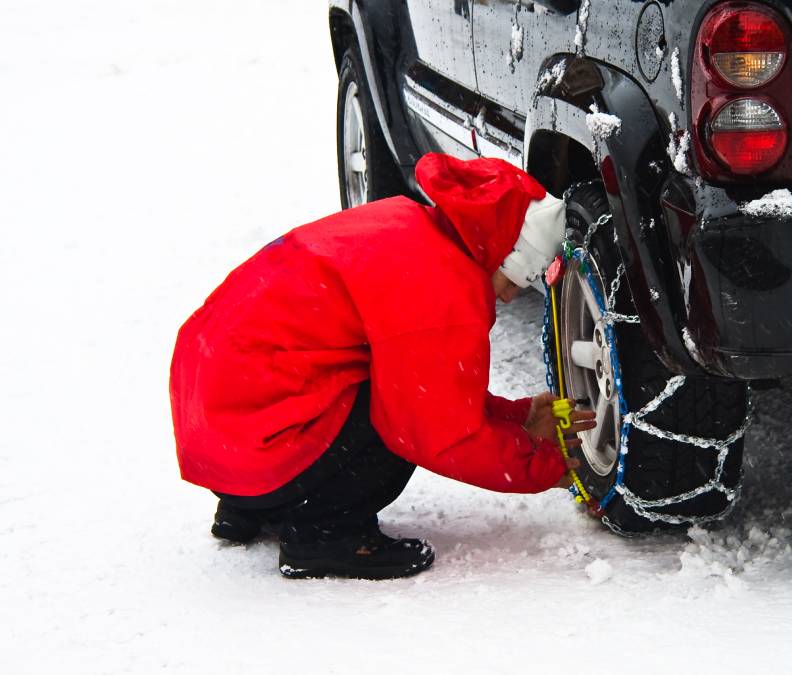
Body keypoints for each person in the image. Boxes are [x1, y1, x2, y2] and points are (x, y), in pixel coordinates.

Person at [170, 153, 596, 580]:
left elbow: (434, 382)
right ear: (506, 253)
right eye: (520, 278)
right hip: (258, 440)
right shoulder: (444, 288)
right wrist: (546, 466)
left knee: (398, 393)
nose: (509, 297)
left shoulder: (410, 227)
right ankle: (325, 536)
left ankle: (249, 507)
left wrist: (516, 418)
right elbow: (438, 430)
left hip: (221, 430)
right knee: (402, 422)